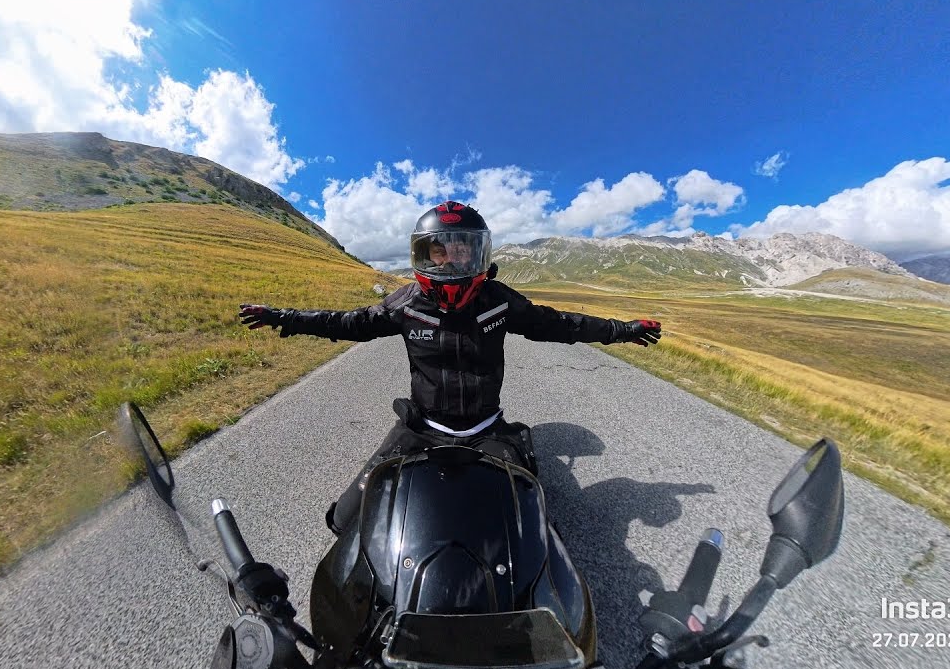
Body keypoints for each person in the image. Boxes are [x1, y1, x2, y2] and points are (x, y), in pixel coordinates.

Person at [239, 200, 662, 534]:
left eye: (462, 252)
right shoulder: (406, 304)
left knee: (533, 530)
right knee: (346, 518)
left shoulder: (498, 299)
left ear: (480, 254)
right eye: (439, 252)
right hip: (421, 427)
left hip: (487, 429)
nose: (451, 263)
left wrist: (621, 330)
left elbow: (560, 324)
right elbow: (345, 322)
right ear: (422, 255)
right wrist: (283, 317)